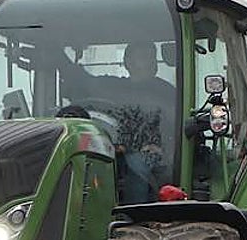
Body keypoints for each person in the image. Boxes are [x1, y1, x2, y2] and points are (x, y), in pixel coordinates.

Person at [60, 41, 176, 203]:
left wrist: (164, 148)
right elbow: (82, 80)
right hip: (108, 147)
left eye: (152, 58)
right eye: (143, 58)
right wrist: (60, 58)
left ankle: (135, 212)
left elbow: (174, 128)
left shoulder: (166, 92)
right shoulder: (111, 87)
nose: (150, 63)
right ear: (127, 62)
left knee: (137, 164)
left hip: (147, 152)